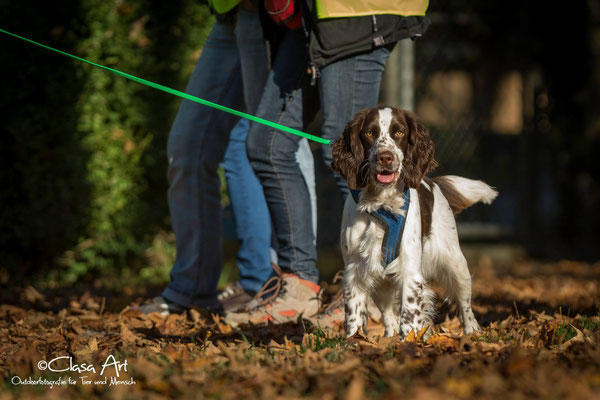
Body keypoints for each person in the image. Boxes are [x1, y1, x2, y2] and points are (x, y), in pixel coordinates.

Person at [224, 0, 430, 326]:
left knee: (349, 154)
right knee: (267, 143)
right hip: (313, 19)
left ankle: (370, 296)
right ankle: (300, 284)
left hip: (356, 14)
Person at [137, 0, 317, 315]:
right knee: (188, 145)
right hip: (230, 14)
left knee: (278, 145)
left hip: (275, 14)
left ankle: (291, 290)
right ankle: (191, 289)